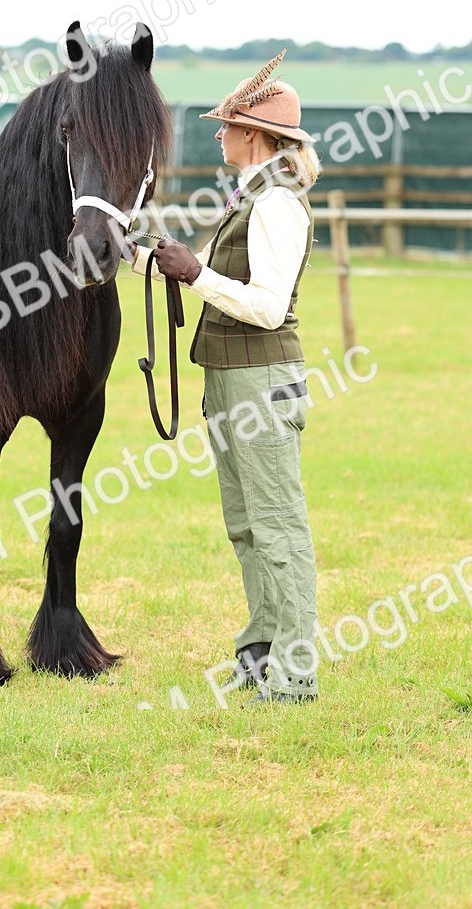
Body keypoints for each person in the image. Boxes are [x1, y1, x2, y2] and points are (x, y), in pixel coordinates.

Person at [128, 51, 322, 704]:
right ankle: (261, 650)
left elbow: (265, 306)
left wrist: (195, 275)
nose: (219, 133)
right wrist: (133, 256)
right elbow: (197, 268)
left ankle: (296, 673)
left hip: (261, 379)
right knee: (246, 523)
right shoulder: (252, 196)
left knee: (277, 525)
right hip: (232, 379)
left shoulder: (278, 205)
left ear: (257, 135)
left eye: (227, 125)